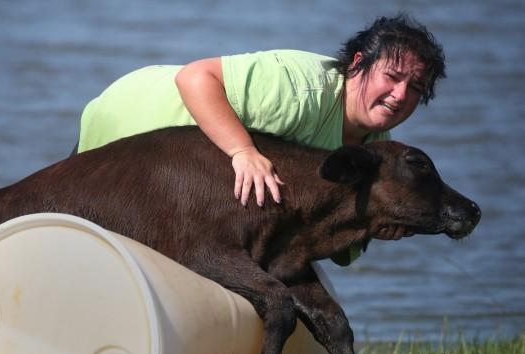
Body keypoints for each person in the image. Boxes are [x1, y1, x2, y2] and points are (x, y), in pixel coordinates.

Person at [76, 14, 445, 263]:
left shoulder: (378, 146)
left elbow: (330, 241)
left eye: (415, 87)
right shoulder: (298, 89)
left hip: (187, 173)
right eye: (392, 77)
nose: (400, 95)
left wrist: (377, 225)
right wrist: (243, 151)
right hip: (135, 114)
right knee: (90, 246)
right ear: (357, 63)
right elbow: (194, 78)